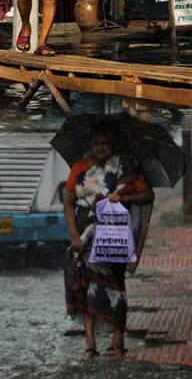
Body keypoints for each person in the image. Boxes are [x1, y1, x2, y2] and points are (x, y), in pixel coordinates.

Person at [64, 125, 153, 358]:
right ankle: (90, 344)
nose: (100, 147)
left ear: (113, 144)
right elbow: (68, 202)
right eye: (96, 143)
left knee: (115, 284)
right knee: (83, 285)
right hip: (84, 234)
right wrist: (74, 234)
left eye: (104, 143)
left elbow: (147, 195)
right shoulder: (80, 167)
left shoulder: (127, 167)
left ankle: (118, 340)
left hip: (114, 234)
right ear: (90, 144)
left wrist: (124, 196)